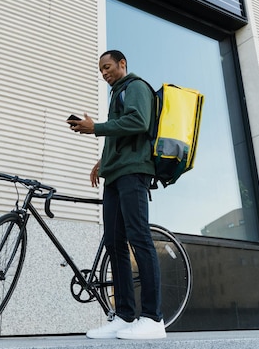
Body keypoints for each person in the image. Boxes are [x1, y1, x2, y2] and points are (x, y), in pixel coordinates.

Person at [67, 50, 165, 340]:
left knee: (139, 239)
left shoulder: (135, 87)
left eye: (107, 67)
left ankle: (153, 318)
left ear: (122, 64)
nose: (104, 73)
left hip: (133, 173)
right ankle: (123, 315)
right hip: (115, 173)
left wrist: (95, 127)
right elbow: (120, 135)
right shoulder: (117, 93)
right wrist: (102, 162)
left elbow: (138, 122)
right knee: (114, 243)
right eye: (100, 70)